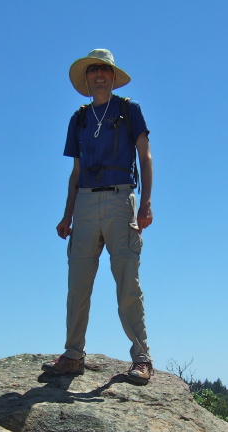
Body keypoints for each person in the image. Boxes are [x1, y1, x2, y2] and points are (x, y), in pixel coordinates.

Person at [42, 49, 154, 385]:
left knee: (127, 283)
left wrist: (146, 202)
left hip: (122, 198)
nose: (99, 75)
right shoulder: (78, 119)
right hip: (86, 205)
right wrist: (67, 215)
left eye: (104, 70)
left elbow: (145, 157)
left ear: (112, 76)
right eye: (93, 71)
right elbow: (76, 172)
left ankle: (142, 358)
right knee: (77, 286)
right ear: (87, 79)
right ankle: (73, 356)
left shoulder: (128, 110)